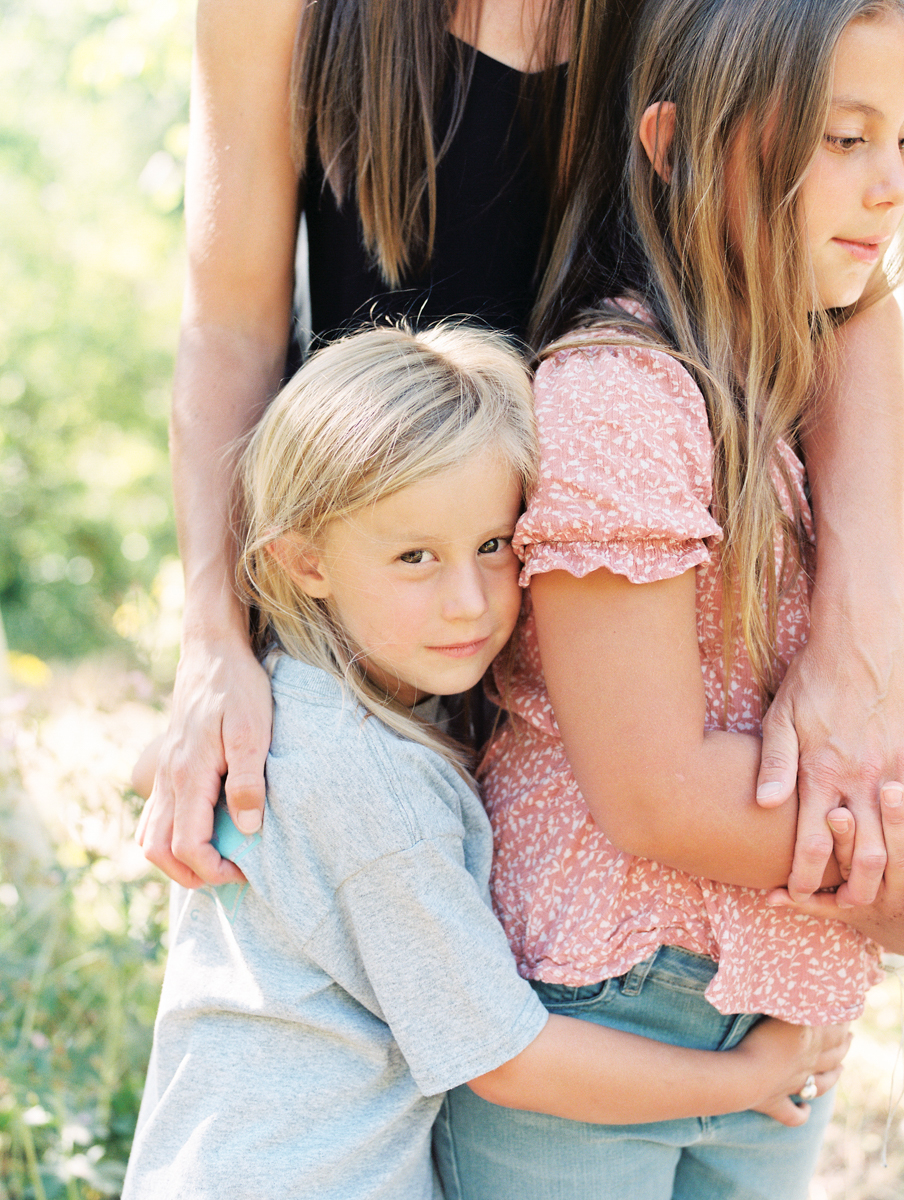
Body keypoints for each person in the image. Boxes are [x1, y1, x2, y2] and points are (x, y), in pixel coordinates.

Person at [139, 0, 904, 910]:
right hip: (380, 622)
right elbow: (228, 326)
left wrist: (858, 643)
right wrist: (214, 642)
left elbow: (847, 299)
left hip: (616, 654)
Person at [121, 324, 847, 1200]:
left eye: (494, 547)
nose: (468, 601)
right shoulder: (368, 781)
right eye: (414, 557)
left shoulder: (299, 708)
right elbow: (504, 1059)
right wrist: (749, 1080)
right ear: (302, 559)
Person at [433, 2, 904, 1197]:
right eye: (842, 139)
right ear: (675, 142)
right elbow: (650, 794)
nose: (885, 185)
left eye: (902, 144)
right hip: (607, 1004)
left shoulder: (819, 408)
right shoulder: (621, 395)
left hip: (783, 1015)